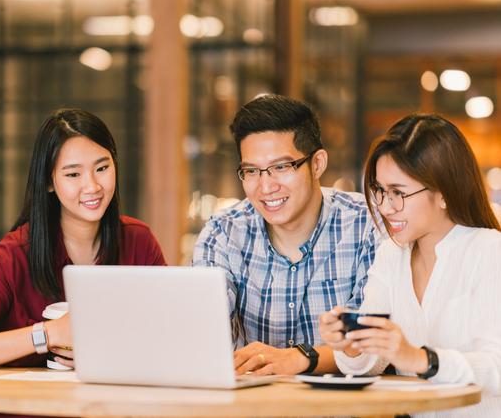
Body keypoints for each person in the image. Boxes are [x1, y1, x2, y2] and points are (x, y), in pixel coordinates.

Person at [0, 108, 166, 373]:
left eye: (102, 168)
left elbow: (172, 336)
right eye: (73, 174)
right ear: (48, 181)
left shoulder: (138, 241)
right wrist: (48, 333)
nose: (92, 186)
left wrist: (109, 354)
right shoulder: (14, 254)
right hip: (18, 411)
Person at [319, 114, 501, 417]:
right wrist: (351, 342)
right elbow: (371, 362)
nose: (385, 207)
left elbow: (496, 367)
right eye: (380, 191)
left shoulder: (489, 250)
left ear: (443, 193)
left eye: (399, 193)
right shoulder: (392, 254)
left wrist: (419, 359)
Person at [192, 94, 380, 376]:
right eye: (252, 171)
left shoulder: (366, 225)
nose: (266, 187)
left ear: (317, 164)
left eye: (281, 167)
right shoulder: (223, 232)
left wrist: (299, 358)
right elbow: (204, 326)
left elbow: (372, 341)